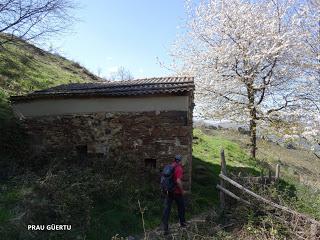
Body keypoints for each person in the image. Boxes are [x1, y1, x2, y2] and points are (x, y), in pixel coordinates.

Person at [161, 155, 187, 235]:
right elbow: (178, 181)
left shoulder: (170, 166)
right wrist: (182, 191)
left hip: (169, 191)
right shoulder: (179, 168)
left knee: (167, 209)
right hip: (177, 192)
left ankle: (165, 228)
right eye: (183, 160)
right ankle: (182, 224)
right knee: (181, 207)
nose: (184, 162)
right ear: (180, 161)